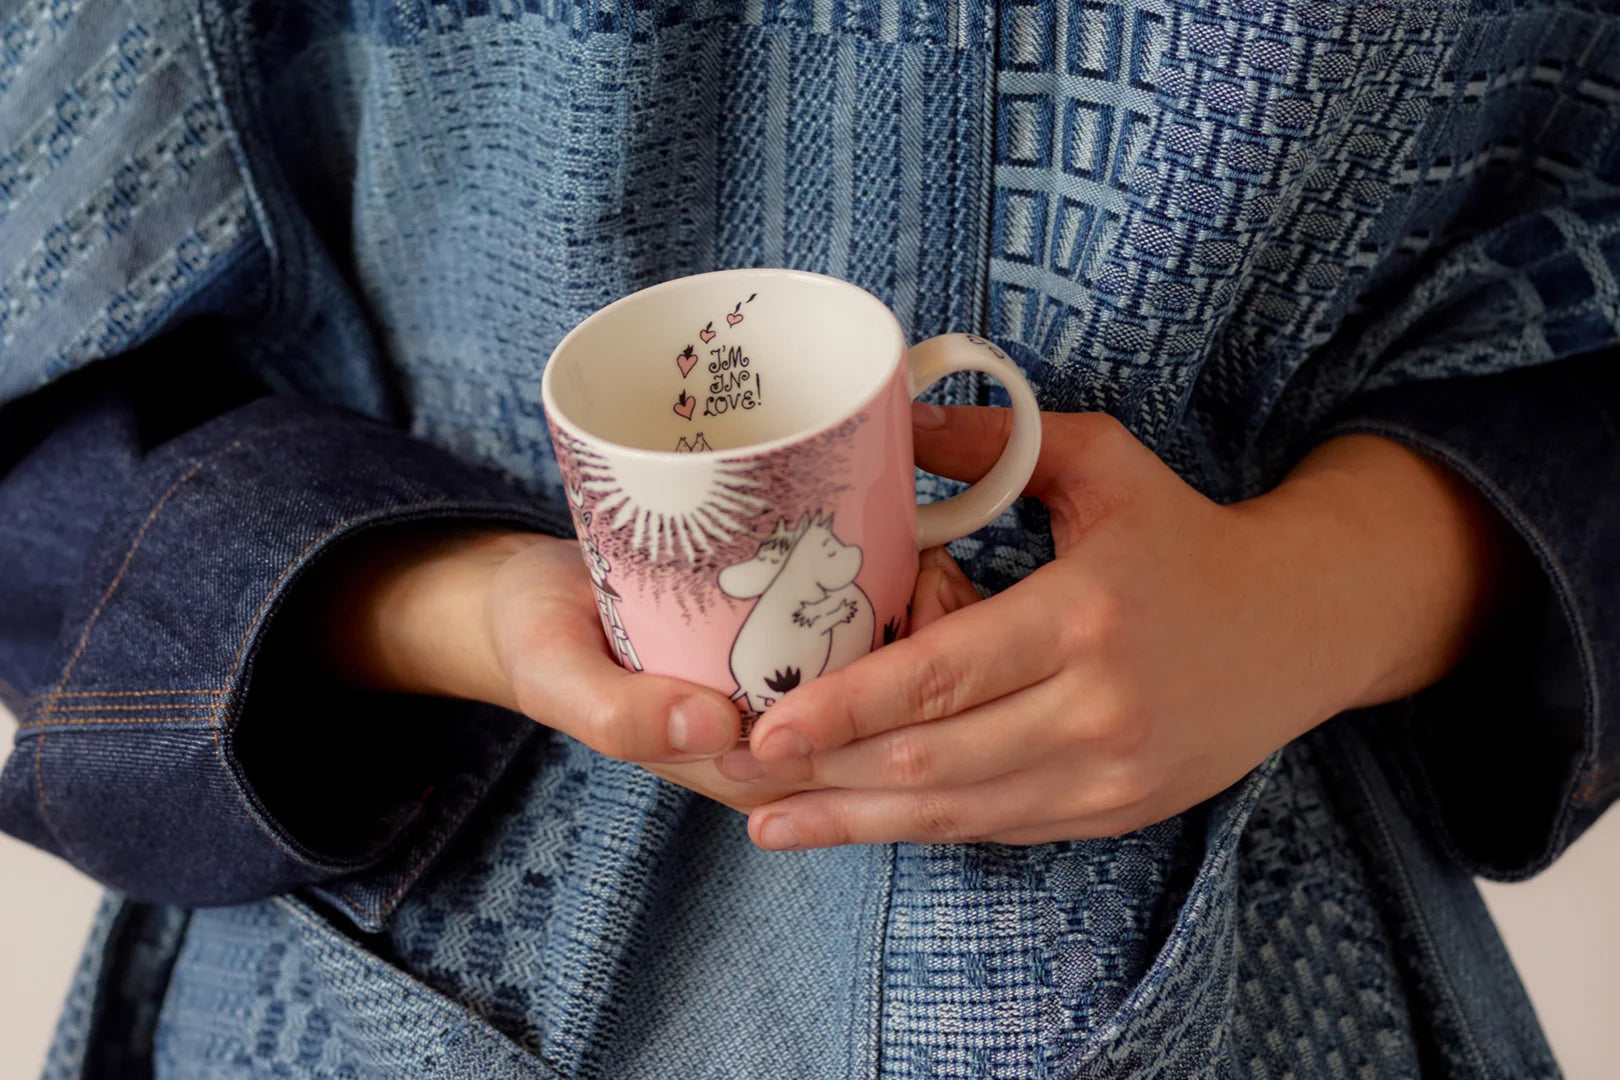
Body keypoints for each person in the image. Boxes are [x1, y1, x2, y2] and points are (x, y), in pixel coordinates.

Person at [1, 0, 1616, 1076]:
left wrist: (1318, 592)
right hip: (423, 961)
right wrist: (460, 604)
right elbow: (50, 355)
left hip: (1278, 983)